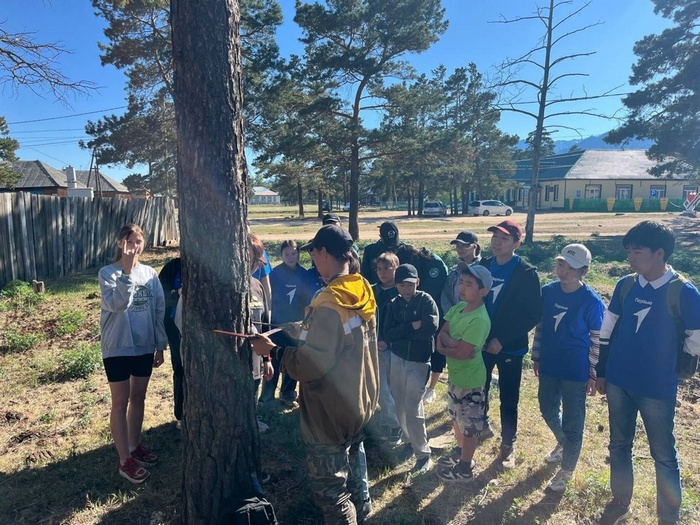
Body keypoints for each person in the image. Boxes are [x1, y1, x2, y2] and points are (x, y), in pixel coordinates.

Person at [251, 224, 378, 524]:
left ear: (323, 253)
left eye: (313, 253)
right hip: (361, 398)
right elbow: (345, 341)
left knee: (330, 490)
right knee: (355, 466)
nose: (312, 261)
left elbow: (311, 365)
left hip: (330, 411)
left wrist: (274, 351)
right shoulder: (361, 288)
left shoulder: (329, 303)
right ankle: (366, 510)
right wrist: (306, 330)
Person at [595, 221, 700, 525]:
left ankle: (668, 517)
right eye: (629, 250)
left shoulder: (684, 292)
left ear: (659, 253)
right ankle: (620, 501)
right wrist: (602, 371)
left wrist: (680, 368)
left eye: (636, 250)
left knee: (664, 455)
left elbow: (695, 337)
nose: (630, 256)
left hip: (656, 388)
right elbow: (607, 328)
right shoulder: (626, 285)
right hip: (618, 381)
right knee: (618, 443)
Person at [531, 244, 605, 493]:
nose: (564, 271)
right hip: (550, 364)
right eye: (561, 264)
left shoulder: (591, 301)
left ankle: (566, 470)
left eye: (572, 268)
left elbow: (597, 338)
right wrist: (537, 356)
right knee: (546, 408)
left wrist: (594, 374)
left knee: (574, 421)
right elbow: (541, 327)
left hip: (576, 370)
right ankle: (565, 443)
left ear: (584, 271)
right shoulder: (548, 292)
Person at [98, 223, 167, 484]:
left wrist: (159, 344)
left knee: (139, 396)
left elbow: (158, 310)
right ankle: (124, 459)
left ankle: (135, 445)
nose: (134, 246)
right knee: (120, 401)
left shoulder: (150, 273)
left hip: (144, 346)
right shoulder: (108, 273)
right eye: (129, 241)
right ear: (119, 243)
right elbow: (117, 305)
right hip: (117, 347)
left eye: (138, 241)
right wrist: (126, 272)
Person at [480, 219, 542, 469]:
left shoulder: (526, 273)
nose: (497, 242)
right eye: (495, 237)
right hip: (481, 343)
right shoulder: (483, 266)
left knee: (508, 397)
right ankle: (478, 428)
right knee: (477, 390)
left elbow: (533, 313)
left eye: (504, 238)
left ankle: (508, 444)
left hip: (511, 347)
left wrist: (502, 340)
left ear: (517, 243)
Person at [435, 264, 492, 482]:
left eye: (469, 284)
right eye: (462, 282)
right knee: (456, 419)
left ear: (483, 291)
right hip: (455, 377)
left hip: (471, 381)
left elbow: (462, 352)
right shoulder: (458, 308)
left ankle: (465, 468)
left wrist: (447, 346)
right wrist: (451, 345)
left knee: (470, 426)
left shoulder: (479, 319)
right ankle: (460, 452)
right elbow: (443, 333)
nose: (462, 287)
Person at [383, 263, 439, 475]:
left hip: (418, 360)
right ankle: (408, 440)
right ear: (396, 285)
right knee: (399, 402)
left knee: (413, 406)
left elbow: (428, 329)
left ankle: (423, 454)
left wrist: (403, 331)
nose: (405, 288)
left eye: (409, 284)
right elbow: (388, 332)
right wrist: (410, 326)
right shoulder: (394, 303)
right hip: (397, 358)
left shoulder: (426, 301)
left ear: (418, 282)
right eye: (401, 284)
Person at [426, 231, 482, 404]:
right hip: (455, 322)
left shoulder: (484, 269)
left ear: (475, 247)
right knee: (453, 358)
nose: (460, 249)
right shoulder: (453, 271)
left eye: (465, 245)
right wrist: (454, 315)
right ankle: (454, 396)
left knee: (470, 358)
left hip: (475, 322)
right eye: (458, 245)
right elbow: (445, 296)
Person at [260, 240, 312, 408]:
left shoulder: (304, 274)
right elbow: (268, 298)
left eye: (294, 253)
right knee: (274, 359)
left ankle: (288, 394)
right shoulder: (274, 274)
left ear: (299, 254)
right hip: (277, 325)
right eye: (287, 254)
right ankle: (267, 397)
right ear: (281, 256)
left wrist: (301, 322)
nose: (291, 257)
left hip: (296, 327)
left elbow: (308, 300)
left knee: (292, 358)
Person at [371, 252, 402, 445]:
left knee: (393, 386)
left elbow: (401, 322)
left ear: (396, 269)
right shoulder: (372, 290)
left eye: (387, 268)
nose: (382, 273)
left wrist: (388, 341)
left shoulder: (401, 291)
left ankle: (395, 425)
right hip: (372, 345)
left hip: (393, 347)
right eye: (379, 269)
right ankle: (388, 419)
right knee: (379, 386)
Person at [248, 234, 274, 433]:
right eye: (252, 256)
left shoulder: (257, 286)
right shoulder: (225, 286)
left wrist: (267, 359)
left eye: (258, 258)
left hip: (255, 356)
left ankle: (252, 418)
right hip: (234, 357)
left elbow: (264, 326)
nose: (256, 263)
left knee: (254, 386)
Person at [158, 256, 183, 428]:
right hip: (175, 328)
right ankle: (181, 414)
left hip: (204, 328)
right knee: (180, 367)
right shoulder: (172, 267)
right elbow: (161, 297)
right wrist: (178, 294)